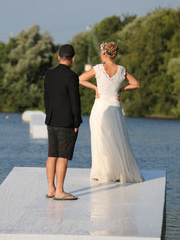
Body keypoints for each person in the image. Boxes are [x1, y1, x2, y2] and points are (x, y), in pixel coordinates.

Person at [79, 42, 144, 183]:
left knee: (101, 140)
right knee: (117, 140)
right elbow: (136, 84)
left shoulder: (98, 68)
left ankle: (103, 172)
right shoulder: (121, 70)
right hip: (115, 107)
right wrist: (121, 90)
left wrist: (95, 88)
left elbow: (80, 79)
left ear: (104, 53)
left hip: (100, 107)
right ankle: (118, 172)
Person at [44, 44, 82, 200]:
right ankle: (60, 191)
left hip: (51, 120)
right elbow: (75, 101)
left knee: (52, 154)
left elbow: (46, 98)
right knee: (63, 156)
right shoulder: (72, 76)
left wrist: (49, 116)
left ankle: (51, 190)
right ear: (72, 59)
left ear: (59, 57)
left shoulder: (49, 74)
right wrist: (76, 122)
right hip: (66, 122)